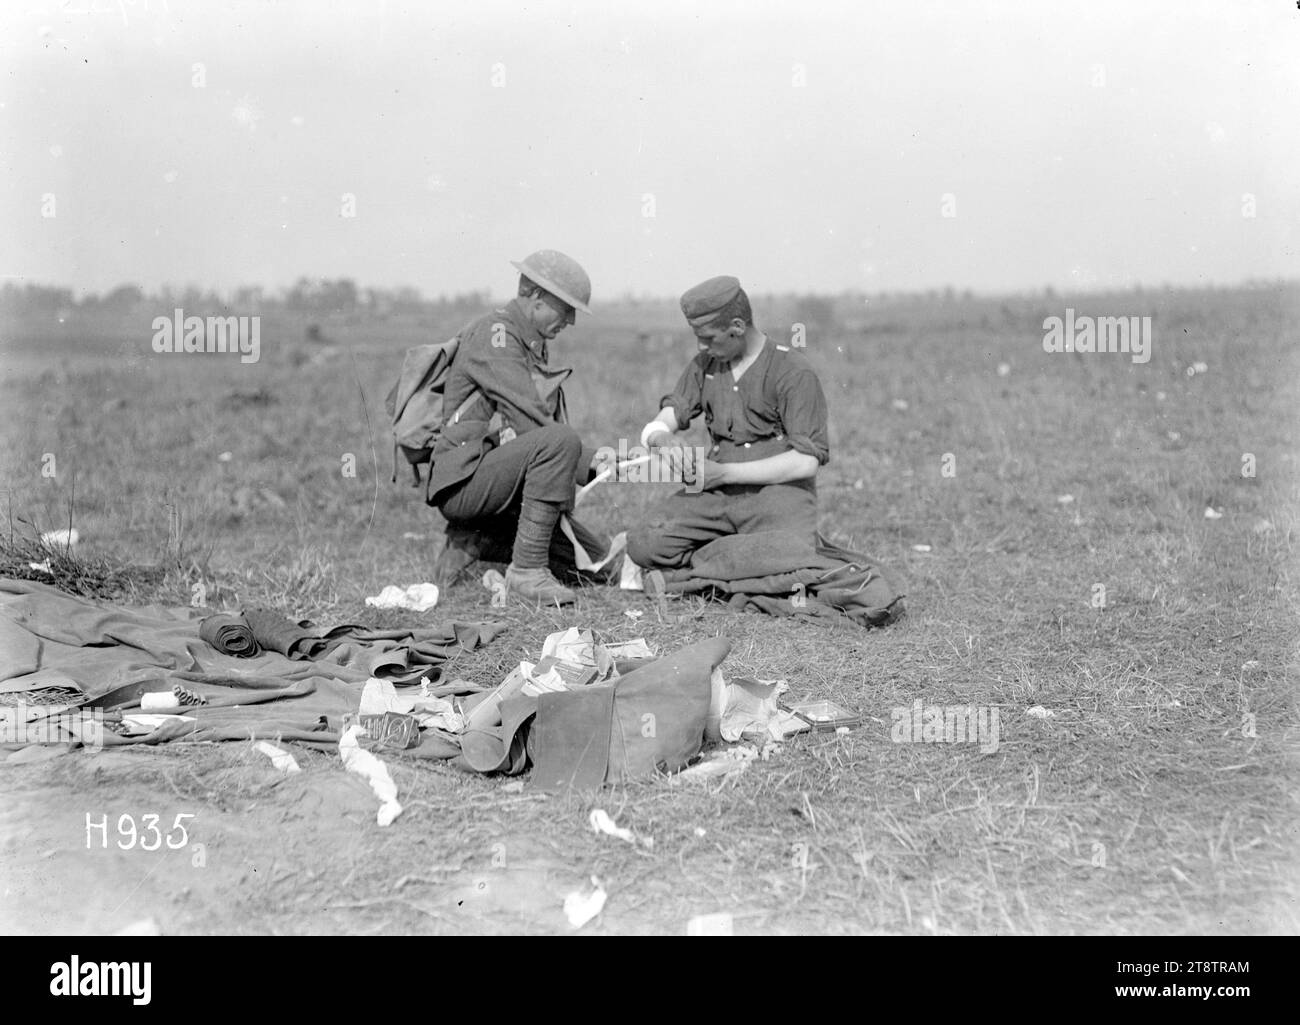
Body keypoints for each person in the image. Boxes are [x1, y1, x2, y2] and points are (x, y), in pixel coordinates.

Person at [426, 250, 609, 605]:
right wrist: (590, 461)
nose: (570, 320)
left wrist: (592, 460)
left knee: (597, 565)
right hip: (464, 481)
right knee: (560, 440)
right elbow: (533, 425)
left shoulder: (528, 341)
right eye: (566, 307)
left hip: (492, 478)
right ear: (536, 297)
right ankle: (526, 570)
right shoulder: (497, 336)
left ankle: (476, 541)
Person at [626, 275, 829, 571]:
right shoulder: (705, 365)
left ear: (737, 327)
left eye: (709, 337)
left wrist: (724, 474)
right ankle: (730, 561)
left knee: (788, 558)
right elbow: (669, 414)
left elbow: (805, 462)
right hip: (715, 498)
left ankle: (702, 568)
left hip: (777, 493)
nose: (701, 346)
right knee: (644, 543)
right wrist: (660, 438)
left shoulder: (793, 370)